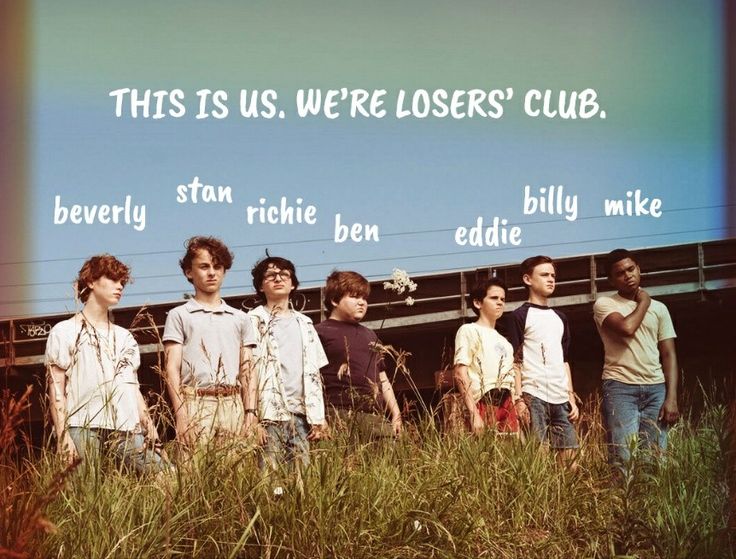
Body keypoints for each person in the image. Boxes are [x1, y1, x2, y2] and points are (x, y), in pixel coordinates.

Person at [45, 254, 168, 474]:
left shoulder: (124, 337)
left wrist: (152, 433)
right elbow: (56, 390)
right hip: (82, 426)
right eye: (112, 279)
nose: (119, 286)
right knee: (86, 497)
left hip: (126, 429)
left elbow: (133, 389)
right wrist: (63, 438)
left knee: (167, 475)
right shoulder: (64, 331)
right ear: (91, 282)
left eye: (122, 282)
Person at [163, 236, 257, 450]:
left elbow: (248, 370)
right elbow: (171, 369)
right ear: (189, 272)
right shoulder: (179, 315)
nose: (212, 272)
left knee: (238, 475)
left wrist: (251, 412)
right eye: (204, 266)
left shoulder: (240, 318)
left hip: (233, 402)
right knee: (194, 474)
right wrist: (181, 416)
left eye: (218, 267)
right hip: (195, 401)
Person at [593, 248, 679, 469]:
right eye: (620, 273)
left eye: (631, 269)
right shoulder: (605, 304)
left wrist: (672, 398)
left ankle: (652, 503)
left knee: (655, 458)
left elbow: (669, 354)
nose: (628, 275)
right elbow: (627, 328)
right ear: (612, 280)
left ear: (639, 269)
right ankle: (623, 504)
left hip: (656, 388)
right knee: (624, 459)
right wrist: (644, 301)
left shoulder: (660, 309)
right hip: (620, 388)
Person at [247, 255, 328, 469]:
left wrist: (319, 417)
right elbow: (247, 373)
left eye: (284, 274)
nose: (278, 278)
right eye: (271, 275)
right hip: (268, 415)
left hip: (302, 416)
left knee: (301, 481)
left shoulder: (306, 323)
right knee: (268, 480)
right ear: (260, 286)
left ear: (292, 284)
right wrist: (252, 419)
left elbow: (314, 375)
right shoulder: (251, 320)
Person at [508, 255, 579, 466]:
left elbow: (564, 361)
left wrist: (571, 397)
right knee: (538, 462)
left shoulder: (560, 318)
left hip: (560, 398)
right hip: (534, 396)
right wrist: (518, 398)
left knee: (570, 464)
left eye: (553, 275)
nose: (551, 279)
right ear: (528, 279)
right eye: (544, 275)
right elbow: (515, 361)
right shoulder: (518, 316)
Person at [315, 270, 402, 442]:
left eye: (364, 298)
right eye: (355, 297)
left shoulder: (370, 335)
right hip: (336, 413)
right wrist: (318, 418)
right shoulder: (318, 332)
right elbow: (312, 378)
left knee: (388, 465)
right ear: (334, 300)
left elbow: (382, 378)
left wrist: (396, 413)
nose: (362, 302)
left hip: (375, 415)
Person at [453, 277, 518, 435]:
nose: (500, 302)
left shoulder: (505, 342)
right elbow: (460, 372)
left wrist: (516, 404)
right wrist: (474, 412)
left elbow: (512, 376)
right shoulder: (469, 330)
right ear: (478, 303)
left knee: (511, 456)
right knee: (485, 455)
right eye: (494, 298)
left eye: (503, 299)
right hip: (483, 399)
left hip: (508, 403)